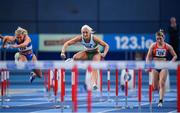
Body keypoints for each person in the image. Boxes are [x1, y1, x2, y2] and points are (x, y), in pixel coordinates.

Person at [61, 25, 109, 90]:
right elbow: (67, 43)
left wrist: (104, 54)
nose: (85, 34)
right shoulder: (80, 38)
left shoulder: (94, 38)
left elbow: (106, 45)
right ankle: (73, 60)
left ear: (90, 33)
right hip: (87, 52)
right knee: (75, 57)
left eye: (86, 32)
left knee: (94, 66)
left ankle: (95, 83)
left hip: (95, 53)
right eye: (83, 32)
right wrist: (63, 52)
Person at [146, 29, 177, 107]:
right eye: (157, 39)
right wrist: (147, 65)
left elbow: (175, 56)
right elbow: (148, 57)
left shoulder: (167, 46)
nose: (159, 40)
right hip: (155, 66)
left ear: (164, 38)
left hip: (164, 66)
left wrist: (170, 63)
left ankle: (160, 100)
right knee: (155, 86)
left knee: (162, 83)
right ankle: (160, 92)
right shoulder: (153, 45)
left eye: (160, 38)